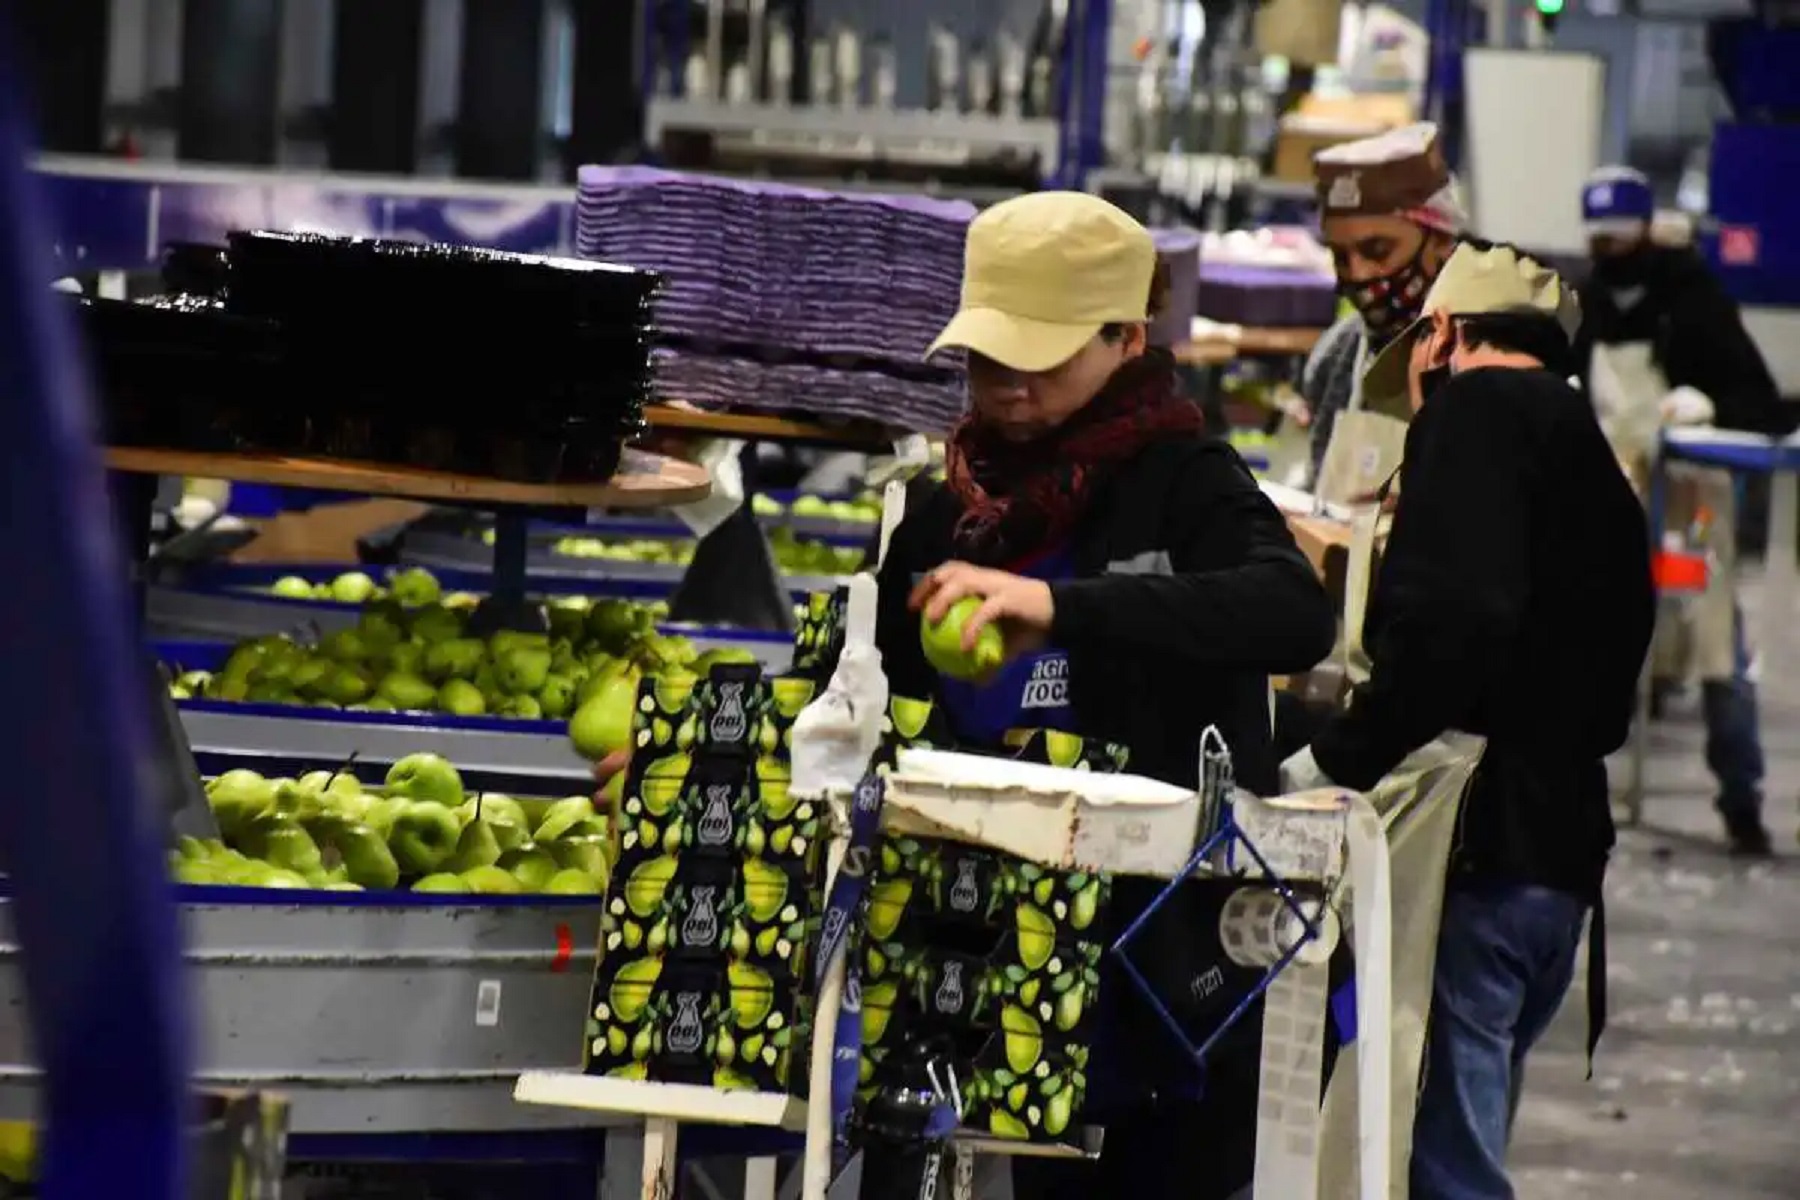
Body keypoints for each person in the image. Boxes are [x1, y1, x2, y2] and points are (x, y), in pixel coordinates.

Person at [886, 190, 1336, 1200]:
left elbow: (1295, 614)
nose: (1006, 386)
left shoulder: (1187, 479)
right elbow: (874, 688)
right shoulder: (947, 509)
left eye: (1037, 358)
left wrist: (1065, 608)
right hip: (992, 952)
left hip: (1167, 967)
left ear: (1126, 337)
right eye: (988, 358)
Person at [1280, 244, 1657, 1199]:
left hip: (1475, 857)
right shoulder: (1583, 445)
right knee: (1464, 1135)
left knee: (1440, 1164)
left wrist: (1333, 757)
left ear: (1442, 335)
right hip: (1561, 862)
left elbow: (1459, 623)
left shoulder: (1473, 416)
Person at [1577, 164, 1784, 856]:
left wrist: (1705, 406)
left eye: (1619, 238)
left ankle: (1740, 798)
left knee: (1712, 639)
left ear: (1645, 231)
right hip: (1607, 501)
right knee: (1587, 643)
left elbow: (1759, 400)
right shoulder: (1586, 302)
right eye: (1598, 241)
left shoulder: (1692, 299)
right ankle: (1573, 793)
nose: (1609, 253)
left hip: (1689, 510)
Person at [1300, 121, 1470, 485]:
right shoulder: (1335, 359)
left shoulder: (1493, 361)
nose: (1360, 275)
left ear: (1441, 241)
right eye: (1341, 257)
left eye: (1378, 250)